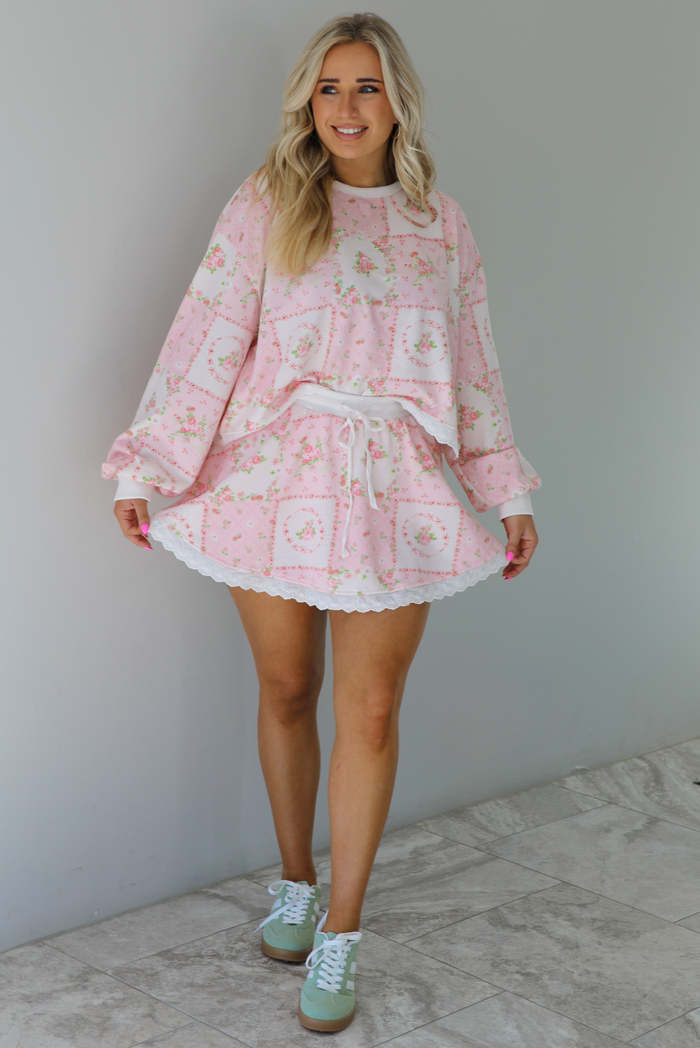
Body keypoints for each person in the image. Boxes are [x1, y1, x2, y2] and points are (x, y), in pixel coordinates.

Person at [102, 11, 540, 1033]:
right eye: (330, 88)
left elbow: (474, 365)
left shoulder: (442, 222)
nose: (346, 107)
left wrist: (505, 490)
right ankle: (294, 881)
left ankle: (341, 932)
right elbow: (207, 337)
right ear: (308, 100)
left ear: (398, 102)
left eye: (367, 87)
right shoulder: (267, 204)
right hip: (275, 479)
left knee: (373, 708)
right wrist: (150, 461)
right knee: (288, 685)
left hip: (396, 484)